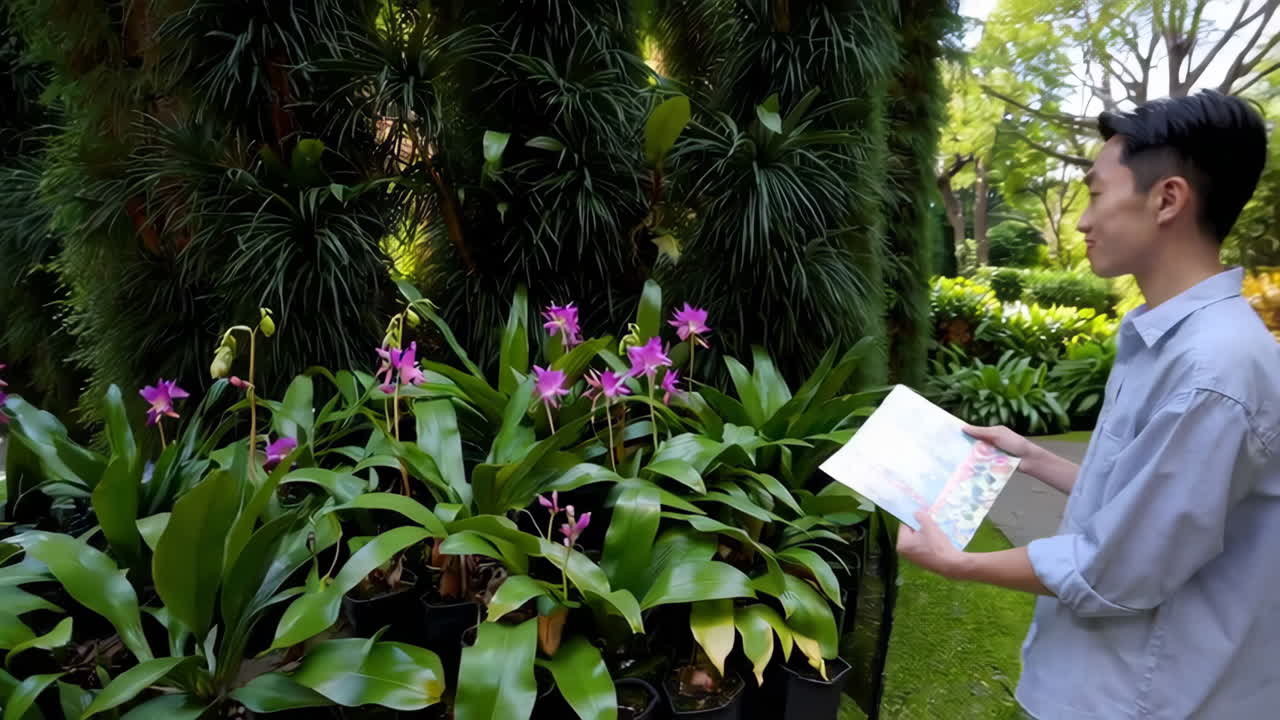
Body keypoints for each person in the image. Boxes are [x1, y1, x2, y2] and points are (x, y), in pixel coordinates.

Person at [897, 89, 1280, 719]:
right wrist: (1031, 458)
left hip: (1150, 696)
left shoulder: (1215, 370)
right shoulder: (1170, 338)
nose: (1081, 220)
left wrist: (957, 563)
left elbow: (1114, 568)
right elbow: (1150, 500)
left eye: (1097, 193)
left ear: (1168, 200)